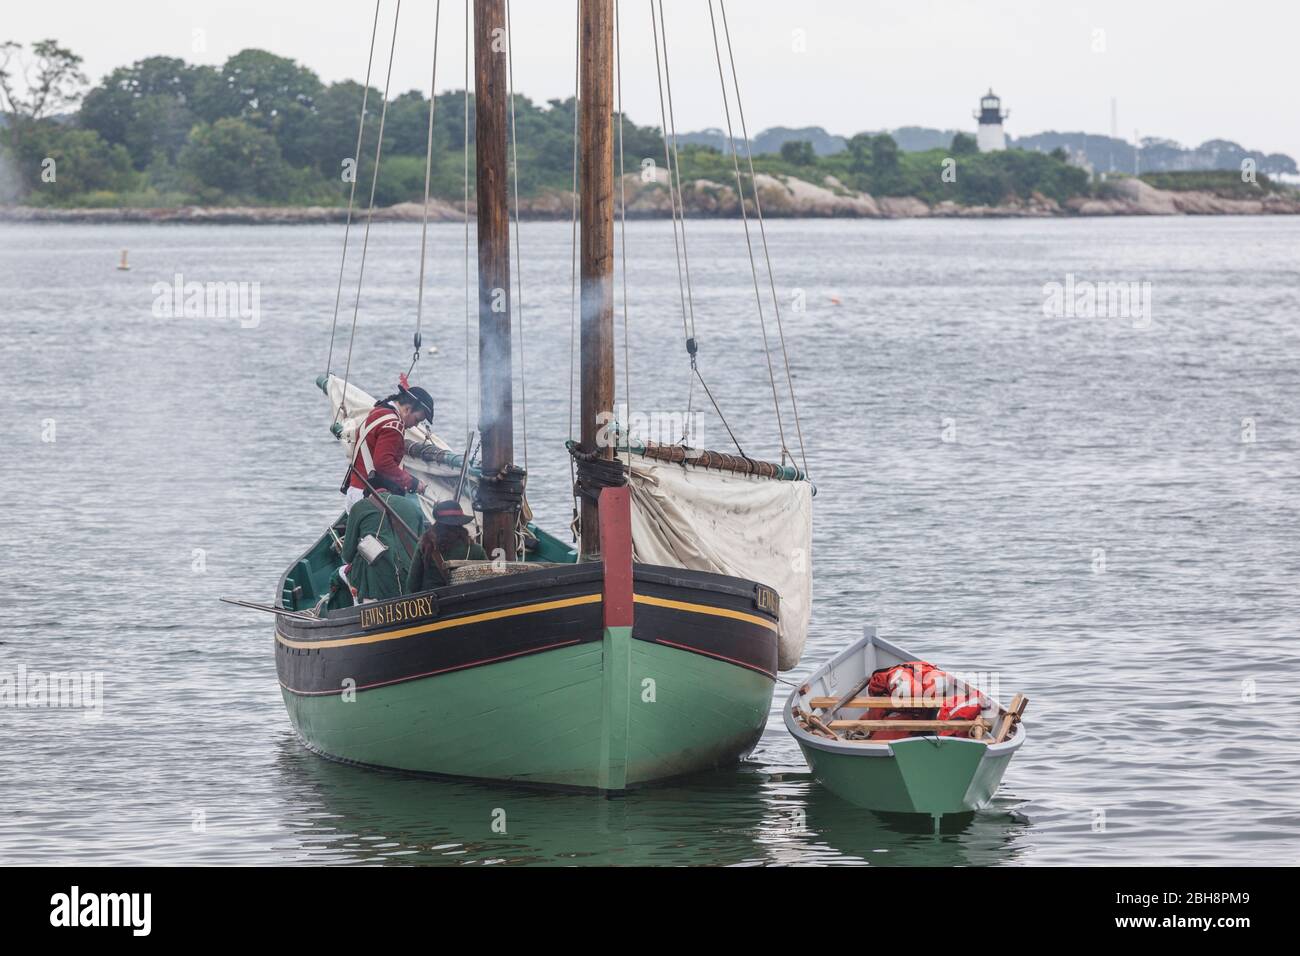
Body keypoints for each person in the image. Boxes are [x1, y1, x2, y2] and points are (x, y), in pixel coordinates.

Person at [342, 383, 436, 512]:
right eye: (417, 419)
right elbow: (383, 463)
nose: (415, 425)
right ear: (408, 409)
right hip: (369, 497)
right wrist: (413, 483)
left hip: (356, 491)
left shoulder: (379, 412)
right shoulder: (393, 426)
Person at [340, 473, 427, 604]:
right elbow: (423, 548)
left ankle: (356, 609)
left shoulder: (359, 507)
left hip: (376, 584)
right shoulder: (412, 506)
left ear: (367, 495)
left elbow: (347, 555)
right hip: (412, 579)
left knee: (340, 573)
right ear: (390, 491)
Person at [407, 500, 488, 593]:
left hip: (432, 604)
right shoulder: (476, 550)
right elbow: (486, 583)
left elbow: (412, 585)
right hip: (466, 603)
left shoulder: (426, 545)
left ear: (438, 524)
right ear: (461, 524)